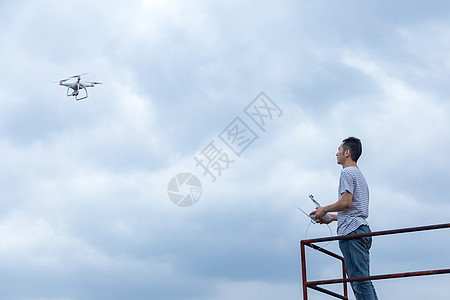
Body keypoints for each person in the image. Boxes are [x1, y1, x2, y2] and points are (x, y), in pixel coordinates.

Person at [310, 137, 378, 300]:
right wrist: (332, 217)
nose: (336, 153)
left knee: (359, 281)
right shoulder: (359, 174)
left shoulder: (346, 172)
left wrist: (324, 208)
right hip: (361, 229)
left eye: (339, 150)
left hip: (352, 232)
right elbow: (355, 208)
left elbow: (346, 203)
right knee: (363, 280)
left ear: (347, 153)